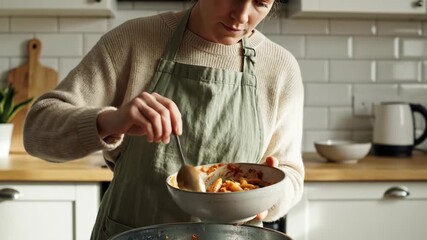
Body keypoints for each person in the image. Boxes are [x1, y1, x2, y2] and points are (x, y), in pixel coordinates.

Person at [23, 0, 305, 239]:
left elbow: (291, 175)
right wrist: (110, 121)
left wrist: (266, 197)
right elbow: (37, 132)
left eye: (260, 3)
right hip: (134, 230)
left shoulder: (279, 68)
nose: (242, 16)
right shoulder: (134, 40)